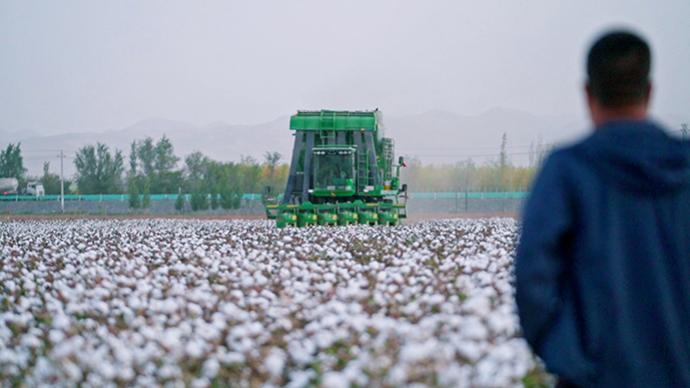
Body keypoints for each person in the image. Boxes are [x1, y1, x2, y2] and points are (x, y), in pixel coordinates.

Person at [515, 30, 690, 388]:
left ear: (588, 93)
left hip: (595, 376)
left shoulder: (567, 171)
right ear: (650, 90)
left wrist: (570, 360)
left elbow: (532, 278)